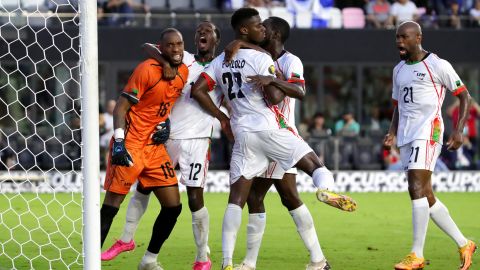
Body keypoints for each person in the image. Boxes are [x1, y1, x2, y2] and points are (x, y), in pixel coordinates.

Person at [191, 8, 356, 270]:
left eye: (265, 27)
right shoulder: (258, 57)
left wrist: (224, 116)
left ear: (275, 34)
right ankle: (282, 260)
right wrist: (254, 60)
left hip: (254, 132)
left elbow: (296, 90)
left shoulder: (290, 61)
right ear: (247, 30)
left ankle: (235, 262)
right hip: (274, 133)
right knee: (261, 198)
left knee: (269, 197)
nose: (263, 30)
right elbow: (274, 98)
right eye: (259, 26)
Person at [101, 21, 222, 270]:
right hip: (150, 139)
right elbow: (148, 47)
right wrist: (166, 61)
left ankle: (199, 257)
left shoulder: (216, 66)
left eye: (207, 31)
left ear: (216, 40)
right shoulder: (178, 61)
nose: (201, 33)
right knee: (133, 194)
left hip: (189, 140)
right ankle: (116, 246)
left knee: (185, 202)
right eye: (198, 30)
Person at [383, 21, 477, 270]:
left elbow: (464, 96)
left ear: (418, 38)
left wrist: (459, 130)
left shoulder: (437, 64)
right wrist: (392, 131)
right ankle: (464, 243)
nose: (399, 42)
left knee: (415, 187)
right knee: (425, 194)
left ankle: (417, 254)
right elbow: (398, 106)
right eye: (397, 37)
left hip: (429, 130)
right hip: (406, 134)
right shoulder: (399, 69)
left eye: (404, 37)